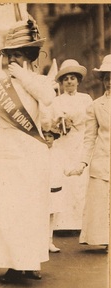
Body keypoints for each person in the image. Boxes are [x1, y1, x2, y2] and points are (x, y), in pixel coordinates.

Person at [0, 18, 56, 282]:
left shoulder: (37, 81)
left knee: (31, 208)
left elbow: (48, 98)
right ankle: (10, 263)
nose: (12, 60)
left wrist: (23, 75)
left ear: (29, 56)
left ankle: (30, 261)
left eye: (18, 55)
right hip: (5, 152)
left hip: (32, 153)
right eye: (10, 55)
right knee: (7, 209)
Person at [67, 54, 110, 250]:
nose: (109, 81)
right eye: (106, 77)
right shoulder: (95, 106)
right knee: (102, 205)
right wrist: (82, 163)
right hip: (102, 161)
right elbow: (89, 138)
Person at [51, 59, 93, 233]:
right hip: (63, 144)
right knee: (65, 181)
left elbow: (91, 121)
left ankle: (80, 223)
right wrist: (61, 122)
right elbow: (52, 123)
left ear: (78, 81)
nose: (69, 82)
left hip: (81, 142)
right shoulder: (56, 101)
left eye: (72, 78)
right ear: (61, 82)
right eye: (66, 79)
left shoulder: (86, 99)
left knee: (81, 182)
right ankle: (63, 224)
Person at [43, 126, 65, 253]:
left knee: (51, 216)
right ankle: (39, 242)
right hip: (41, 190)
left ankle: (49, 241)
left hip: (54, 189)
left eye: (50, 136)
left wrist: (77, 169)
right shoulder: (38, 152)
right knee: (40, 216)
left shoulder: (58, 153)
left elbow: (64, 168)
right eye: (45, 136)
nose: (47, 139)